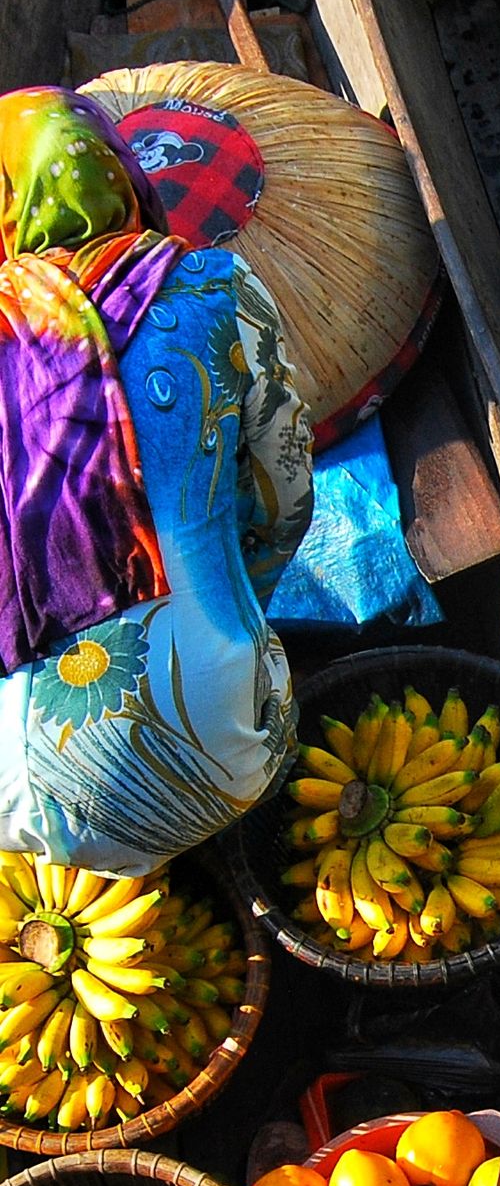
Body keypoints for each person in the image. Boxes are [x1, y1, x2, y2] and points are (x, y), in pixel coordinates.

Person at [0, 86, 311, 873]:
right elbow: (287, 501)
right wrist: (238, 603)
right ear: (119, 172)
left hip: (23, 795)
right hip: (235, 743)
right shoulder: (215, 287)